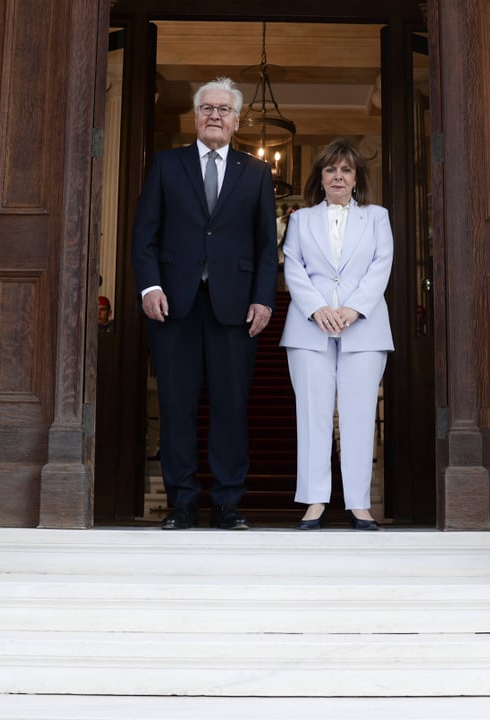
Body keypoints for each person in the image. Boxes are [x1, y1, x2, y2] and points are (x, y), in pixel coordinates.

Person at [131, 77, 278, 530]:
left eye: (223, 109)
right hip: (173, 305)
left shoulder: (255, 173)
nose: (214, 115)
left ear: (236, 121)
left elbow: (265, 247)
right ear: (196, 118)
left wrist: (263, 299)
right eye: (207, 108)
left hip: (234, 308)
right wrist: (149, 287)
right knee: (177, 404)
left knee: (231, 405)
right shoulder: (166, 165)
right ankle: (182, 502)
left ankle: (227, 503)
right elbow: (144, 235)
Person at [278, 138, 394, 530]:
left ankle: (359, 503)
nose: (338, 176)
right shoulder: (300, 219)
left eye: (346, 170)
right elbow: (293, 267)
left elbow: (382, 265)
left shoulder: (377, 217)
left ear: (357, 177)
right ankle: (314, 501)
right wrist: (317, 309)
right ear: (321, 178)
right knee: (312, 413)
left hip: (364, 325)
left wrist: (352, 309)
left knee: (360, 414)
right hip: (309, 327)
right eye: (331, 170)